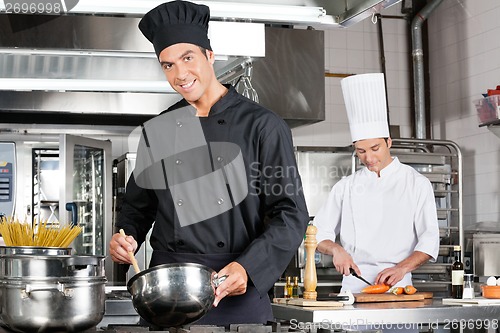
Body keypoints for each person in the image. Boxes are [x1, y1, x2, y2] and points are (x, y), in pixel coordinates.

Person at [109, 0, 309, 326]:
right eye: (168, 65)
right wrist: (125, 236)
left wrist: (250, 267)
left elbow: (290, 214)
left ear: (210, 56)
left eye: (188, 58)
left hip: (236, 289)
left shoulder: (263, 126)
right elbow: (137, 207)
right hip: (168, 295)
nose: (180, 74)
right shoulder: (159, 130)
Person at [314, 73, 440, 294]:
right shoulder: (346, 187)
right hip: (355, 288)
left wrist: (402, 268)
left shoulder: (416, 183)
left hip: (398, 287)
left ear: (388, 142)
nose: (369, 158)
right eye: (361, 151)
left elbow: (429, 240)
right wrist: (335, 249)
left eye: (375, 149)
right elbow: (316, 234)